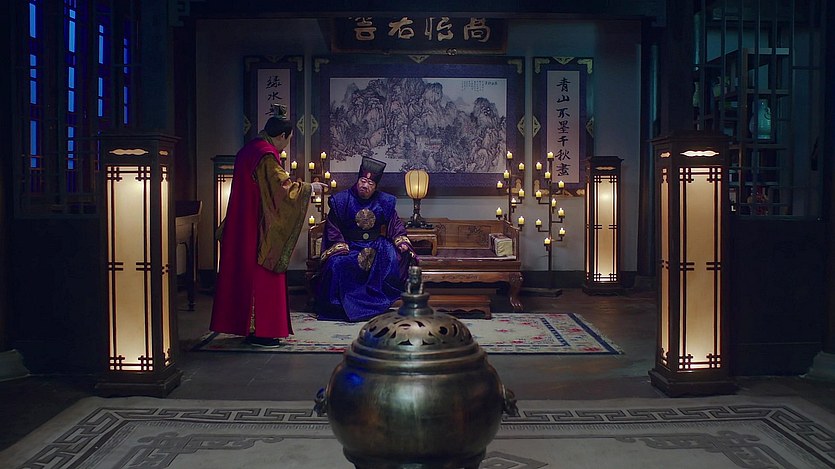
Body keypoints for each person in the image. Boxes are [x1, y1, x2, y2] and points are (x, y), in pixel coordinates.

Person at [210, 105, 325, 347]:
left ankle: (248, 328)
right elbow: (281, 189)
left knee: (245, 274)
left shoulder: (248, 150)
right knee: (263, 273)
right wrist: (309, 188)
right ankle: (262, 331)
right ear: (282, 135)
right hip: (259, 226)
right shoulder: (266, 155)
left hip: (242, 222)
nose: (285, 147)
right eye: (288, 140)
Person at [314, 156, 416, 322]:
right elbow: (332, 227)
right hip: (350, 245)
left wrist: (401, 241)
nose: (365, 185)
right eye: (363, 181)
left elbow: (395, 224)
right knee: (336, 264)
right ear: (358, 180)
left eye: (370, 183)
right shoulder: (341, 200)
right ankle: (338, 307)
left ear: (375, 186)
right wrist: (340, 245)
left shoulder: (385, 201)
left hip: (377, 245)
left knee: (393, 257)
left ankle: (380, 302)